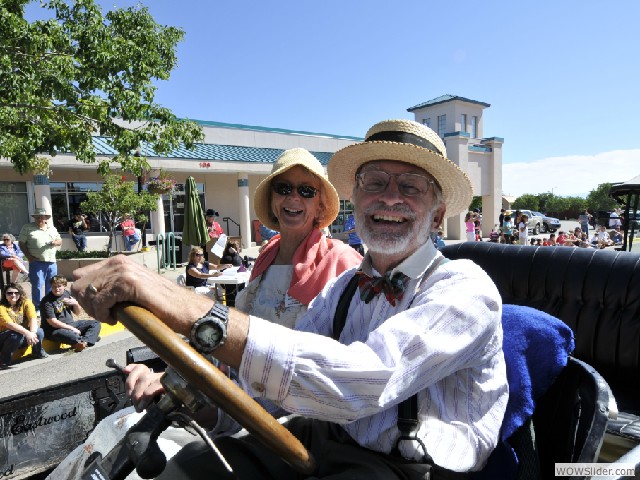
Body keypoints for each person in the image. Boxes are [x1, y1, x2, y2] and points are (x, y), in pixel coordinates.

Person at [71, 120, 508, 478]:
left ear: (437, 213)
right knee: (181, 473)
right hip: (320, 438)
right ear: (355, 200)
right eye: (374, 182)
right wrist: (196, 404)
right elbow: (268, 390)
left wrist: (188, 307)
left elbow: (362, 381)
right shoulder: (344, 289)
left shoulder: (464, 288)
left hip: (407, 466)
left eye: (411, 186)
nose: (389, 196)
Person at [18, 207, 62, 314]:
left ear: (46, 218)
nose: (39, 219)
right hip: (36, 262)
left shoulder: (52, 228)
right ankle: (37, 308)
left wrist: (54, 243)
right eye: (37, 217)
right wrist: (28, 256)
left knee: (51, 285)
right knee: (37, 286)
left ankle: (48, 307)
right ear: (35, 218)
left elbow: (60, 240)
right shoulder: (27, 227)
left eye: (42, 217)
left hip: (51, 262)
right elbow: (21, 242)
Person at [41, 275, 101, 352]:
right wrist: (72, 329)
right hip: (54, 330)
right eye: (54, 286)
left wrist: (76, 304)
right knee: (70, 335)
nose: (56, 289)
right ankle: (88, 339)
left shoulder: (67, 294)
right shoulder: (47, 301)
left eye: (59, 286)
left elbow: (77, 313)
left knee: (95, 323)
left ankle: (84, 342)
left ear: (65, 286)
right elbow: (53, 322)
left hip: (71, 324)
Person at [0, 283, 48, 369]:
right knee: (15, 334)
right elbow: (10, 324)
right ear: (5, 295)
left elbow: (33, 319)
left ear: (20, 293)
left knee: (39, 331)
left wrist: (32, 333)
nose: (13, 295)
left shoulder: (26, 303)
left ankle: (37, 352)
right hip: (4, 338)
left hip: (22, 337)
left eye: (16, 292)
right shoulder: (1, 307)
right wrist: (27, 333)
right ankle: (4, 361)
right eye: (9, 293)